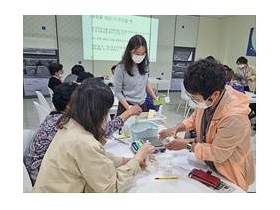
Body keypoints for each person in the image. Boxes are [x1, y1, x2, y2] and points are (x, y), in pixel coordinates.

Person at [34, 79, 154, 192]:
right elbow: (111, 188)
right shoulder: (82, 141)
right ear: (98, 112)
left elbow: (98, 157)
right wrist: (138, 158)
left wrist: (127, 161)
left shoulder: (69, 123)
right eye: (106, 111)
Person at [159, 59, 255, 191]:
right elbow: (195, 117)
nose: (194, 101)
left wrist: (186, 145)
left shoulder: (234, 116)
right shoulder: (211, 96)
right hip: (209, 164)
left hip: (229, 171)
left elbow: (218, 153)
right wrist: (178, 127)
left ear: (215, 94)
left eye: (195, 98)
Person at [113, 34, 157, 116]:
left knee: (142, 127)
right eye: (137, 53)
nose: (140, 57)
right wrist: (129, 108)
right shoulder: (121, 68)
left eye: (143, 54)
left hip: (142, 105)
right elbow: (118, 92)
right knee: (126, 128)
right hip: (126, 105)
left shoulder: (144, 65)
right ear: (129, 51)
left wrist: (155, 98)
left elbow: (145, 83)